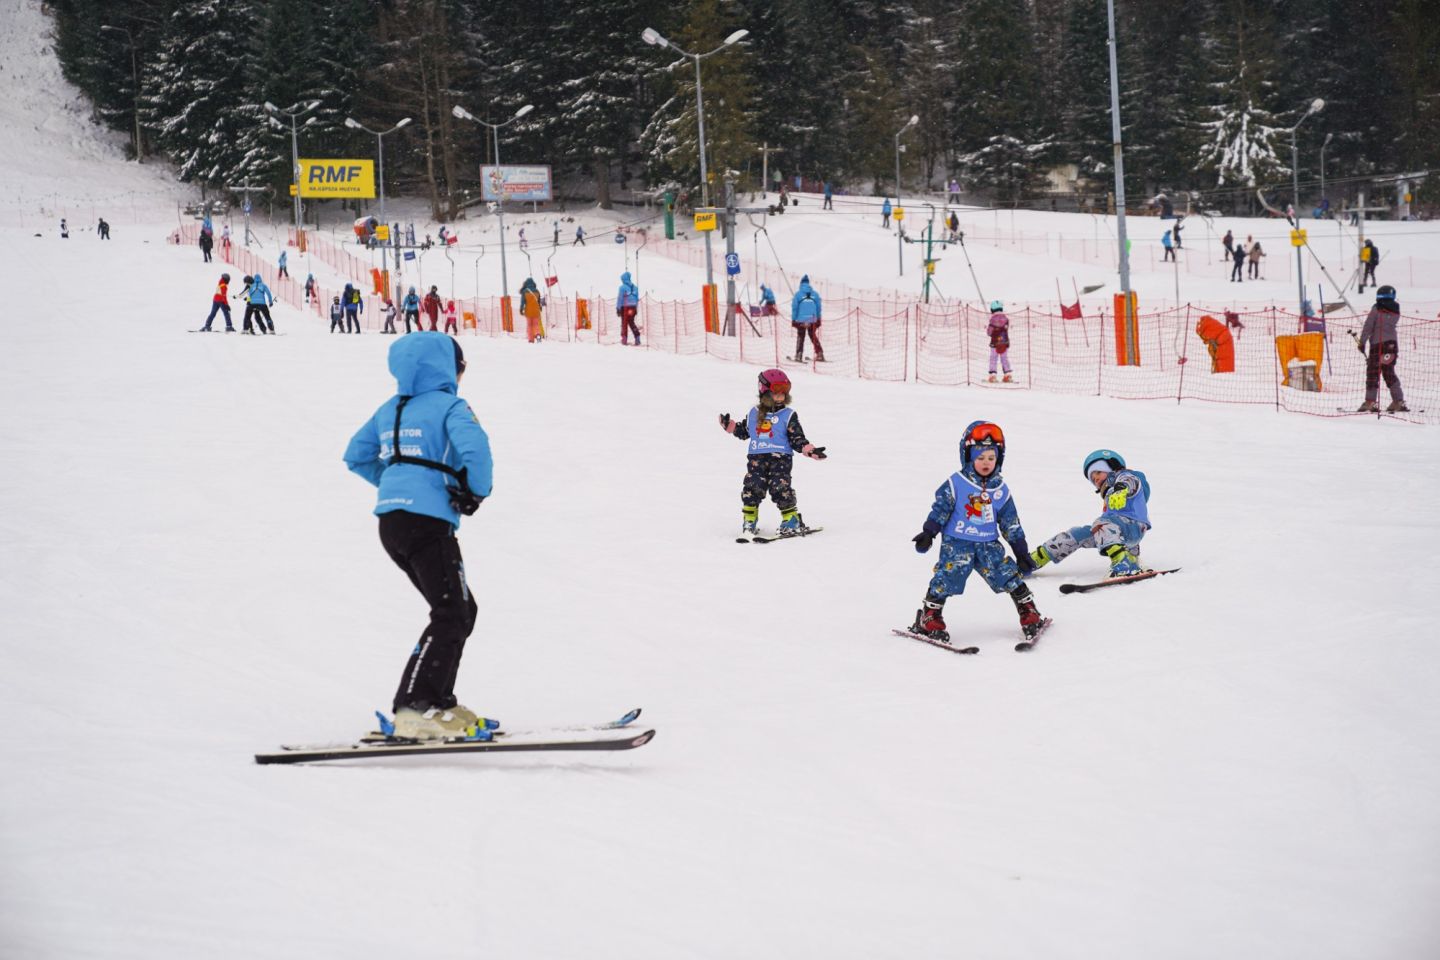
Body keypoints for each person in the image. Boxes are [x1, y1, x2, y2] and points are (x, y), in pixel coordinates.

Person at [343, 333, 494, 741]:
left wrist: (396, 485)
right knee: (452, 612)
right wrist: (474, 492)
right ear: (448, 368)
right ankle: (416, 706)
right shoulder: (450, 406)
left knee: (461, 609)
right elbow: (476, 450)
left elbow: (356, 455)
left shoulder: (390, 408)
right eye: (461, 368)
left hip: (392, 524)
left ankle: (438, 703)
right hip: (427, 521)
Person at [907, 421, 1045, 645]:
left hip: (988, 545)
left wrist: (1021, 552)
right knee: (947, 576)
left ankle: (1028, 610)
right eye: (980, 457)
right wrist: (929, 532)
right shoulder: (956, 483)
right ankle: (930, 616)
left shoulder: (1000, 490)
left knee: (1007, 574)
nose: (986, 462)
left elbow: (1010, 523)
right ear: (968, 456)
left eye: (991, 457)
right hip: (957, 543)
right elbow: (941, 509)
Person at [718, 368, 827, 539]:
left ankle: (791, 519)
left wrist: (808, 449)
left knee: (780, 487)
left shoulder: (788, 415)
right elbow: (744, 432)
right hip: (757, 459)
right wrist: (730, 426)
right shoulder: (754, 413)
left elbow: (797, 437)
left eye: (784, 392)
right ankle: (749, 521)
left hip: (781, 460)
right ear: (765, 392)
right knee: (752, 487)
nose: (781, 396)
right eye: (776, 392)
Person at [1028, 449, 1151, 579]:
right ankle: (1034, 560)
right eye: (1092, 478)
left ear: (1112, 467)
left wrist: (1121, 489)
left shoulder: (1124, 476)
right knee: (1078, 534)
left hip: (1133, 526)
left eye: (1098, 472)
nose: (1095, 478)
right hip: (1120, 530)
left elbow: (1129, 480)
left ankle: (1124, 564)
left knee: (1101, 524)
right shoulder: (1109, 493)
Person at [1357, 285, 1408, 412]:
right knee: (1388, 371)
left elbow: (1368, 326)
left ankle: (1370, 402)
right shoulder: (1396, 309)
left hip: (1378, 345)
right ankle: (1398, 401)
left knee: (1373, 373)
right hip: (1392, 345)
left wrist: (1362, 342)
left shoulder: (1376, 308)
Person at [791, 275, 824, 362]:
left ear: (801, 283)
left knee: (801, 336)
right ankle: (819, 353)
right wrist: (818, 318)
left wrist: (794, 319)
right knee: (812, 335)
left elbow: (794, 308)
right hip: (812, 319)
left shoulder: (798, 294)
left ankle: (799, 355)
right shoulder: (815, 294)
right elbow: (819, 308)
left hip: (801, 320)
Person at [986, 301, 1013, 383]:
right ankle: (1007, 375)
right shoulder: (1006, 319)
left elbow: (989, 332)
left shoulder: (992, 319)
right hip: (1004, 342)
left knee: (993, 358)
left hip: (995, 343)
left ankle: (993, 376)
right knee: (1004, 358)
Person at [616, 271, 641, 346]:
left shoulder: (622, 288)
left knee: (624, 323)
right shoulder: (635, 287)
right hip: (633, 307)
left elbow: (620, 298)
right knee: (631, 322)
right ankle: (637, 337)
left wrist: (618, 308)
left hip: (625, 307)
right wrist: (635, 308)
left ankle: (624, 339)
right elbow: (637, 299)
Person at [519, 277, 544, 343]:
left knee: (529, 325)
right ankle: (538, 334)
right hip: (536, 311)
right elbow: (539, 302)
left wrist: (521, 309)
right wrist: (540, 308)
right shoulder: (537, 291)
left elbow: (522, 302)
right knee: (536, 325)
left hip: (528, 311)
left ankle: (531, 339)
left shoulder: (525, 291)